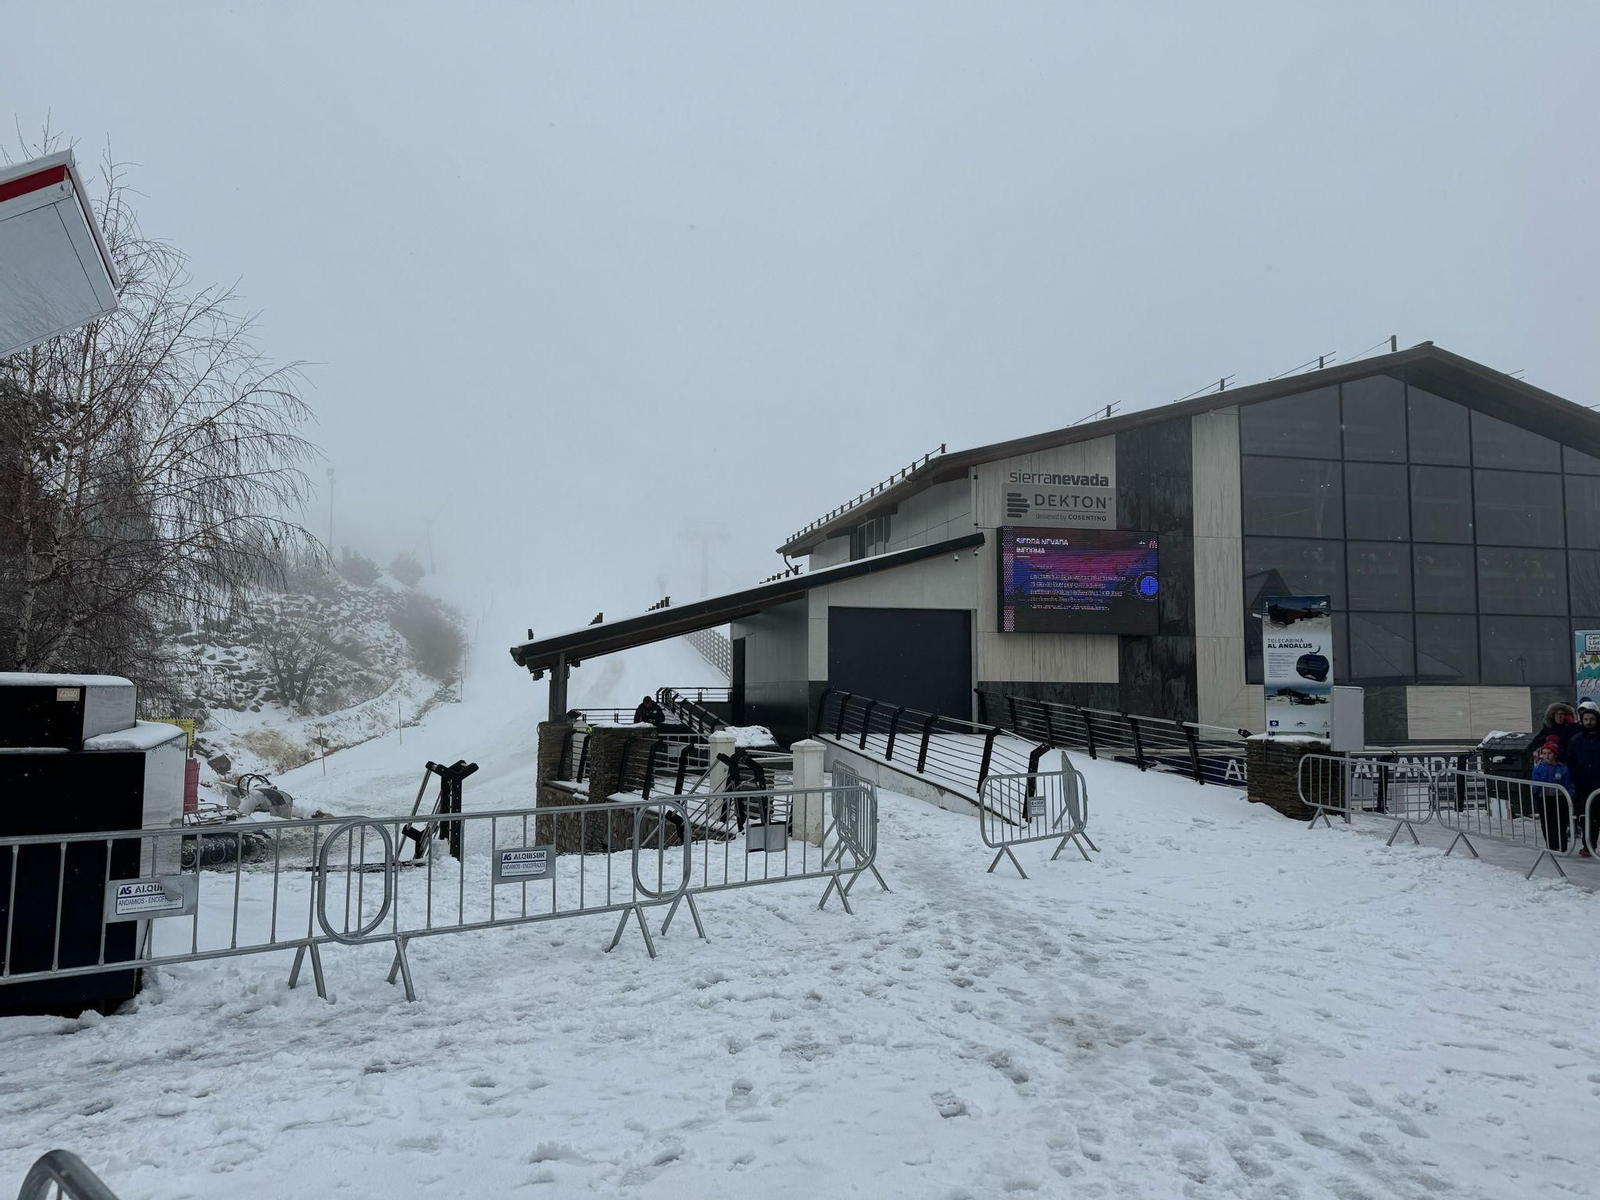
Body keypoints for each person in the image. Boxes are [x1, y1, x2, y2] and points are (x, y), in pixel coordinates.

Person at [1560, 700, 1600, 856]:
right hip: (1583, 785)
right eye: (1586, 719)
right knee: (1588, 817)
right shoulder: (1576, 740)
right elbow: (1570, 761)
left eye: (1592, 719)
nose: (1589, 722)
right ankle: (1589, 846)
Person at [1530, 738, 1573, 853]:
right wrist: (1534, 790)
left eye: (1549, 753)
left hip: (1559, 799)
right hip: (1544, 798)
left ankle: (1562, 845)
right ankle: (1551, 845)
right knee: (1546, 822)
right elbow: (1534, 780)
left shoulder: (1562, 768)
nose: (1546, 756)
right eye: (1544, 753)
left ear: (1555, 754)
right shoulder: (1539, 768)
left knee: (1560, 822)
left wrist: (1571, 795)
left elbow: (1568, 783)